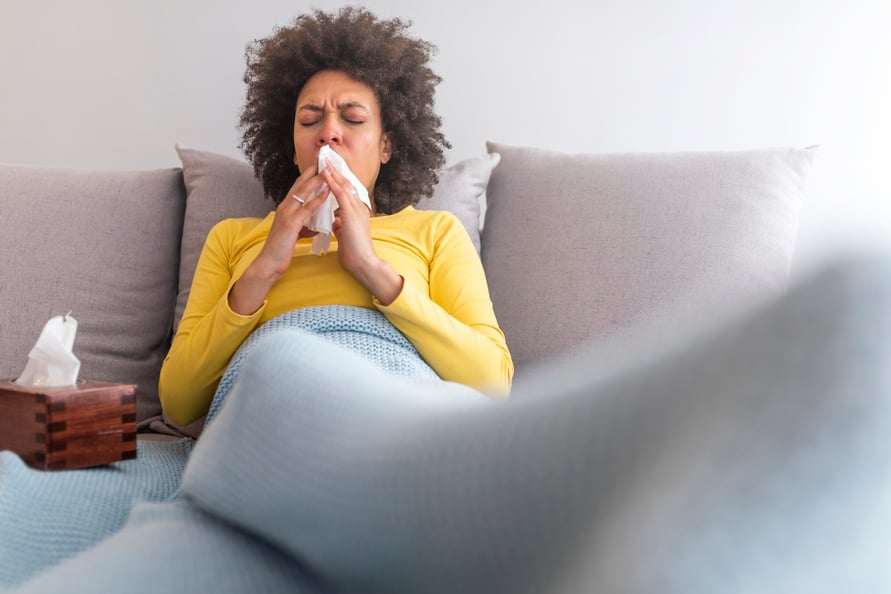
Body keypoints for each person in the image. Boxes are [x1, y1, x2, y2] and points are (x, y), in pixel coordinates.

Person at [158, 6, 514, 427]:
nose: (328, 132)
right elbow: (178, 403)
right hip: (270, 416)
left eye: (353, 118)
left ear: (386, 146)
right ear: (292, 149)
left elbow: (493, 384)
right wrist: (264, 269)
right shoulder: (232, 239)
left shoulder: (435, 232)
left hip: (394, 415)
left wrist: (371, 268)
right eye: (310, 120)